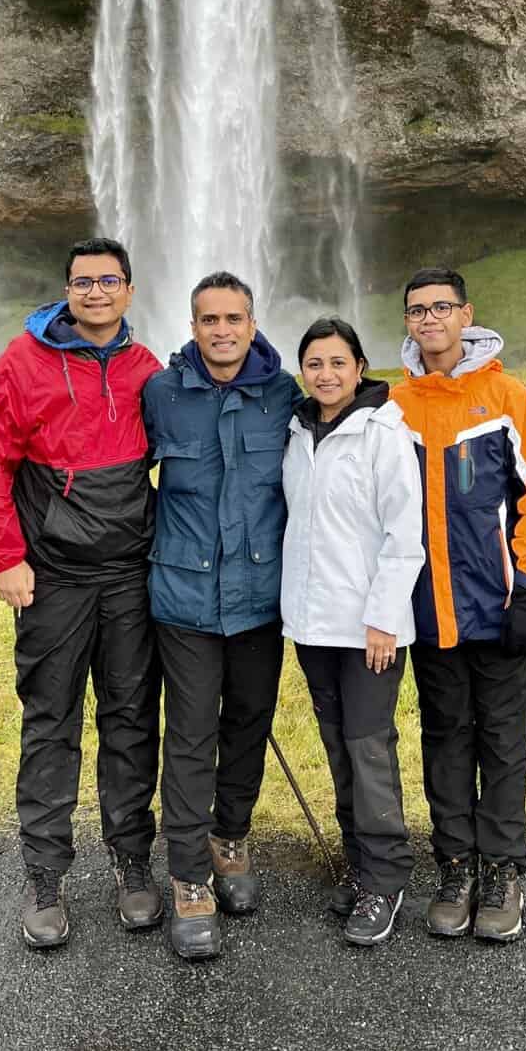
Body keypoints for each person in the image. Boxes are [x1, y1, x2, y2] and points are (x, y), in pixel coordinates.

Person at [0, 237, 163, 950]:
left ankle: (134, 864)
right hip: (51, 578)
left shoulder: (146, 370)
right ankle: (45, 875)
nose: (96, 292)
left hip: (131, 576)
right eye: (83, 282)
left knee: (132, 718)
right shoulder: (23, 362)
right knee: (51, 722)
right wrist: (5, 557)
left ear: (130, 292)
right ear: (67, 291)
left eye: (109, 281)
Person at [390, 267, 526, 944]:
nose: (430, 319)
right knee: (444, 738)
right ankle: (456, 864)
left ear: (467, 315)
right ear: (406, 322)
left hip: (496, 610)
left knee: (502, 742)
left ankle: (503, 869)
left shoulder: (507, 398)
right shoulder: (395, 408)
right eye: (417, 310)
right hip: (428, 614)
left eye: (441, 307)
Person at [142, 271, 302, 960]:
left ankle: (229, 837)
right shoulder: (161, 394)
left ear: (253, 321)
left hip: (261, 599)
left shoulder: (285, 394)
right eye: (209, 319)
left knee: (247, 724)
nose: (222, 330)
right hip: (183, 600)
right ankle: (188, 881)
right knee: (189, 735)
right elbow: (118, 477)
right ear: (192, 324)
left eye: (234, 318)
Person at [281, 317, 426, 948]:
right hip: (313, 625)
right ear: (302, 371)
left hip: (371, 630)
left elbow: (404, 534)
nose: (326, 374)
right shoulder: (295, 432)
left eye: (338, 362)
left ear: (360, 368)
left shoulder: (383, 433)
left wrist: (384, 620)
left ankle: (387, 880)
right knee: (339, 747)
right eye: (314, 363)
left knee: (369, 751)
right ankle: (362, 866)